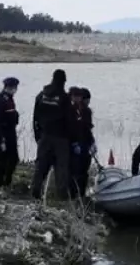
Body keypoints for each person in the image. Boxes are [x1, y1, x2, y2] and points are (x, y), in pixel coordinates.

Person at [31, 69, 71, 200]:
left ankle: (35, 192)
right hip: (61, 138)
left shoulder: (41, 96)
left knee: (41, 166)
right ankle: (61, 198)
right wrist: (70, 138)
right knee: (61, 169)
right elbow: (68, 120)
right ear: (63, 81)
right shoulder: (64, 98)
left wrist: (38, 136)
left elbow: (35, 117)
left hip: (44, 136)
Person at [0, 77, 20, 189]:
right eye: (14, 88)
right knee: (2, 160)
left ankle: (7, 182)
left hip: (11, 132)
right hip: (3, 134)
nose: (15, 90)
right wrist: (0, 139)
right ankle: (0, 184)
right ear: (9, 87)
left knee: (13, 159)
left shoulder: (10, 99)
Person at [69, 88, 95, 198]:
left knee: (85, 170)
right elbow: (69, 129)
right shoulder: (71, 111)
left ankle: (82, 194)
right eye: (86, 100)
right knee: (75, 171)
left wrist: (92, 143)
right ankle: (73, 195)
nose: (88, 102)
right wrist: (74, 143)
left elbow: (88, 129)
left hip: (85, 143)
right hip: (75, 144)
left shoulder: (87, 112)